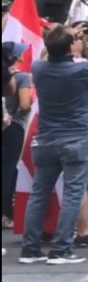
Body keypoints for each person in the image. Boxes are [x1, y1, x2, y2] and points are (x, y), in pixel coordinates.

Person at [19, 22, 88, 266]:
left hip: (45, 140)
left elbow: (50, 52)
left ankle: (30, 248)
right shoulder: (81, 70)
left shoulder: (38, 68)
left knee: (39, 195)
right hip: (77, 139)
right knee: (73, 195)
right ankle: (61, 249)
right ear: (71, 48)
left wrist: (63, 35)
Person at [2, 42, 32, 227]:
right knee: (8, 169)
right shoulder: (22, 77)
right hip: (13, 126)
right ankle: (6, 213)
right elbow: (25, 104)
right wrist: (15, 116)